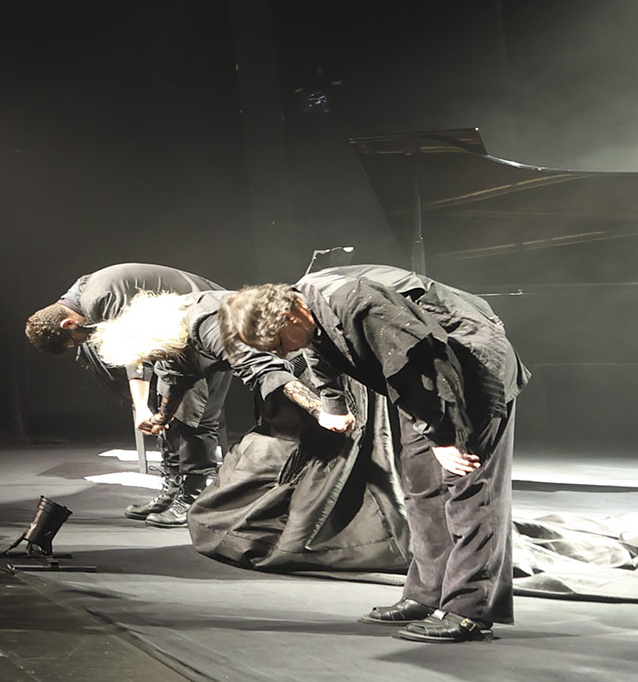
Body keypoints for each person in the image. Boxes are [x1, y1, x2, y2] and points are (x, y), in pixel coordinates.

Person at [223, 270, 526, 643]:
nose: (281, 354)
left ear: (290, 317)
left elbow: (427, 367)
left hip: (469, 368)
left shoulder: (360, 304)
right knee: (421, 486)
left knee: (469, 488)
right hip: (422, 384)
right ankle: (426, 594)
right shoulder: (306, 306)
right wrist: (333, 404)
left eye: (278, 345)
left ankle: (470, 610)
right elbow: (318, 349)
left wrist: (444, 438)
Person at [25, 262, 225, 519]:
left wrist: (140, 408)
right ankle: (172, 490)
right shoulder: (77, 298)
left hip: (209, 323)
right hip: (172, 332)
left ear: (66, 323)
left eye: (74, 340)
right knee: (162, 408)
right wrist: (148, 407)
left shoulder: (101, 298)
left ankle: (192, 499)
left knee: (193, 414)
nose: (81, 341)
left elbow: (135, 352)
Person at [77, 287, 239, 530]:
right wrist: (160, 415)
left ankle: (193, 499)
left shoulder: (196, 325)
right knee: (170, 414)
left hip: (232, 341)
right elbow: (173, 380)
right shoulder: (153, 328)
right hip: (184, 336)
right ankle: (173, 491)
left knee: (195, 419)